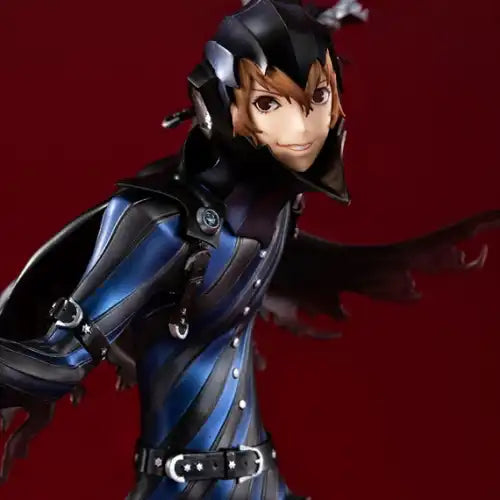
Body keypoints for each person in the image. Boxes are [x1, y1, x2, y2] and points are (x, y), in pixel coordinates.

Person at [0, 1, 497, 499]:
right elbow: (59, 361)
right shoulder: (161, 224)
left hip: (265, 486)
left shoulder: (277, 202)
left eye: (318, 96)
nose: (303, 127)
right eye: (270, 105)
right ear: (219, 108)